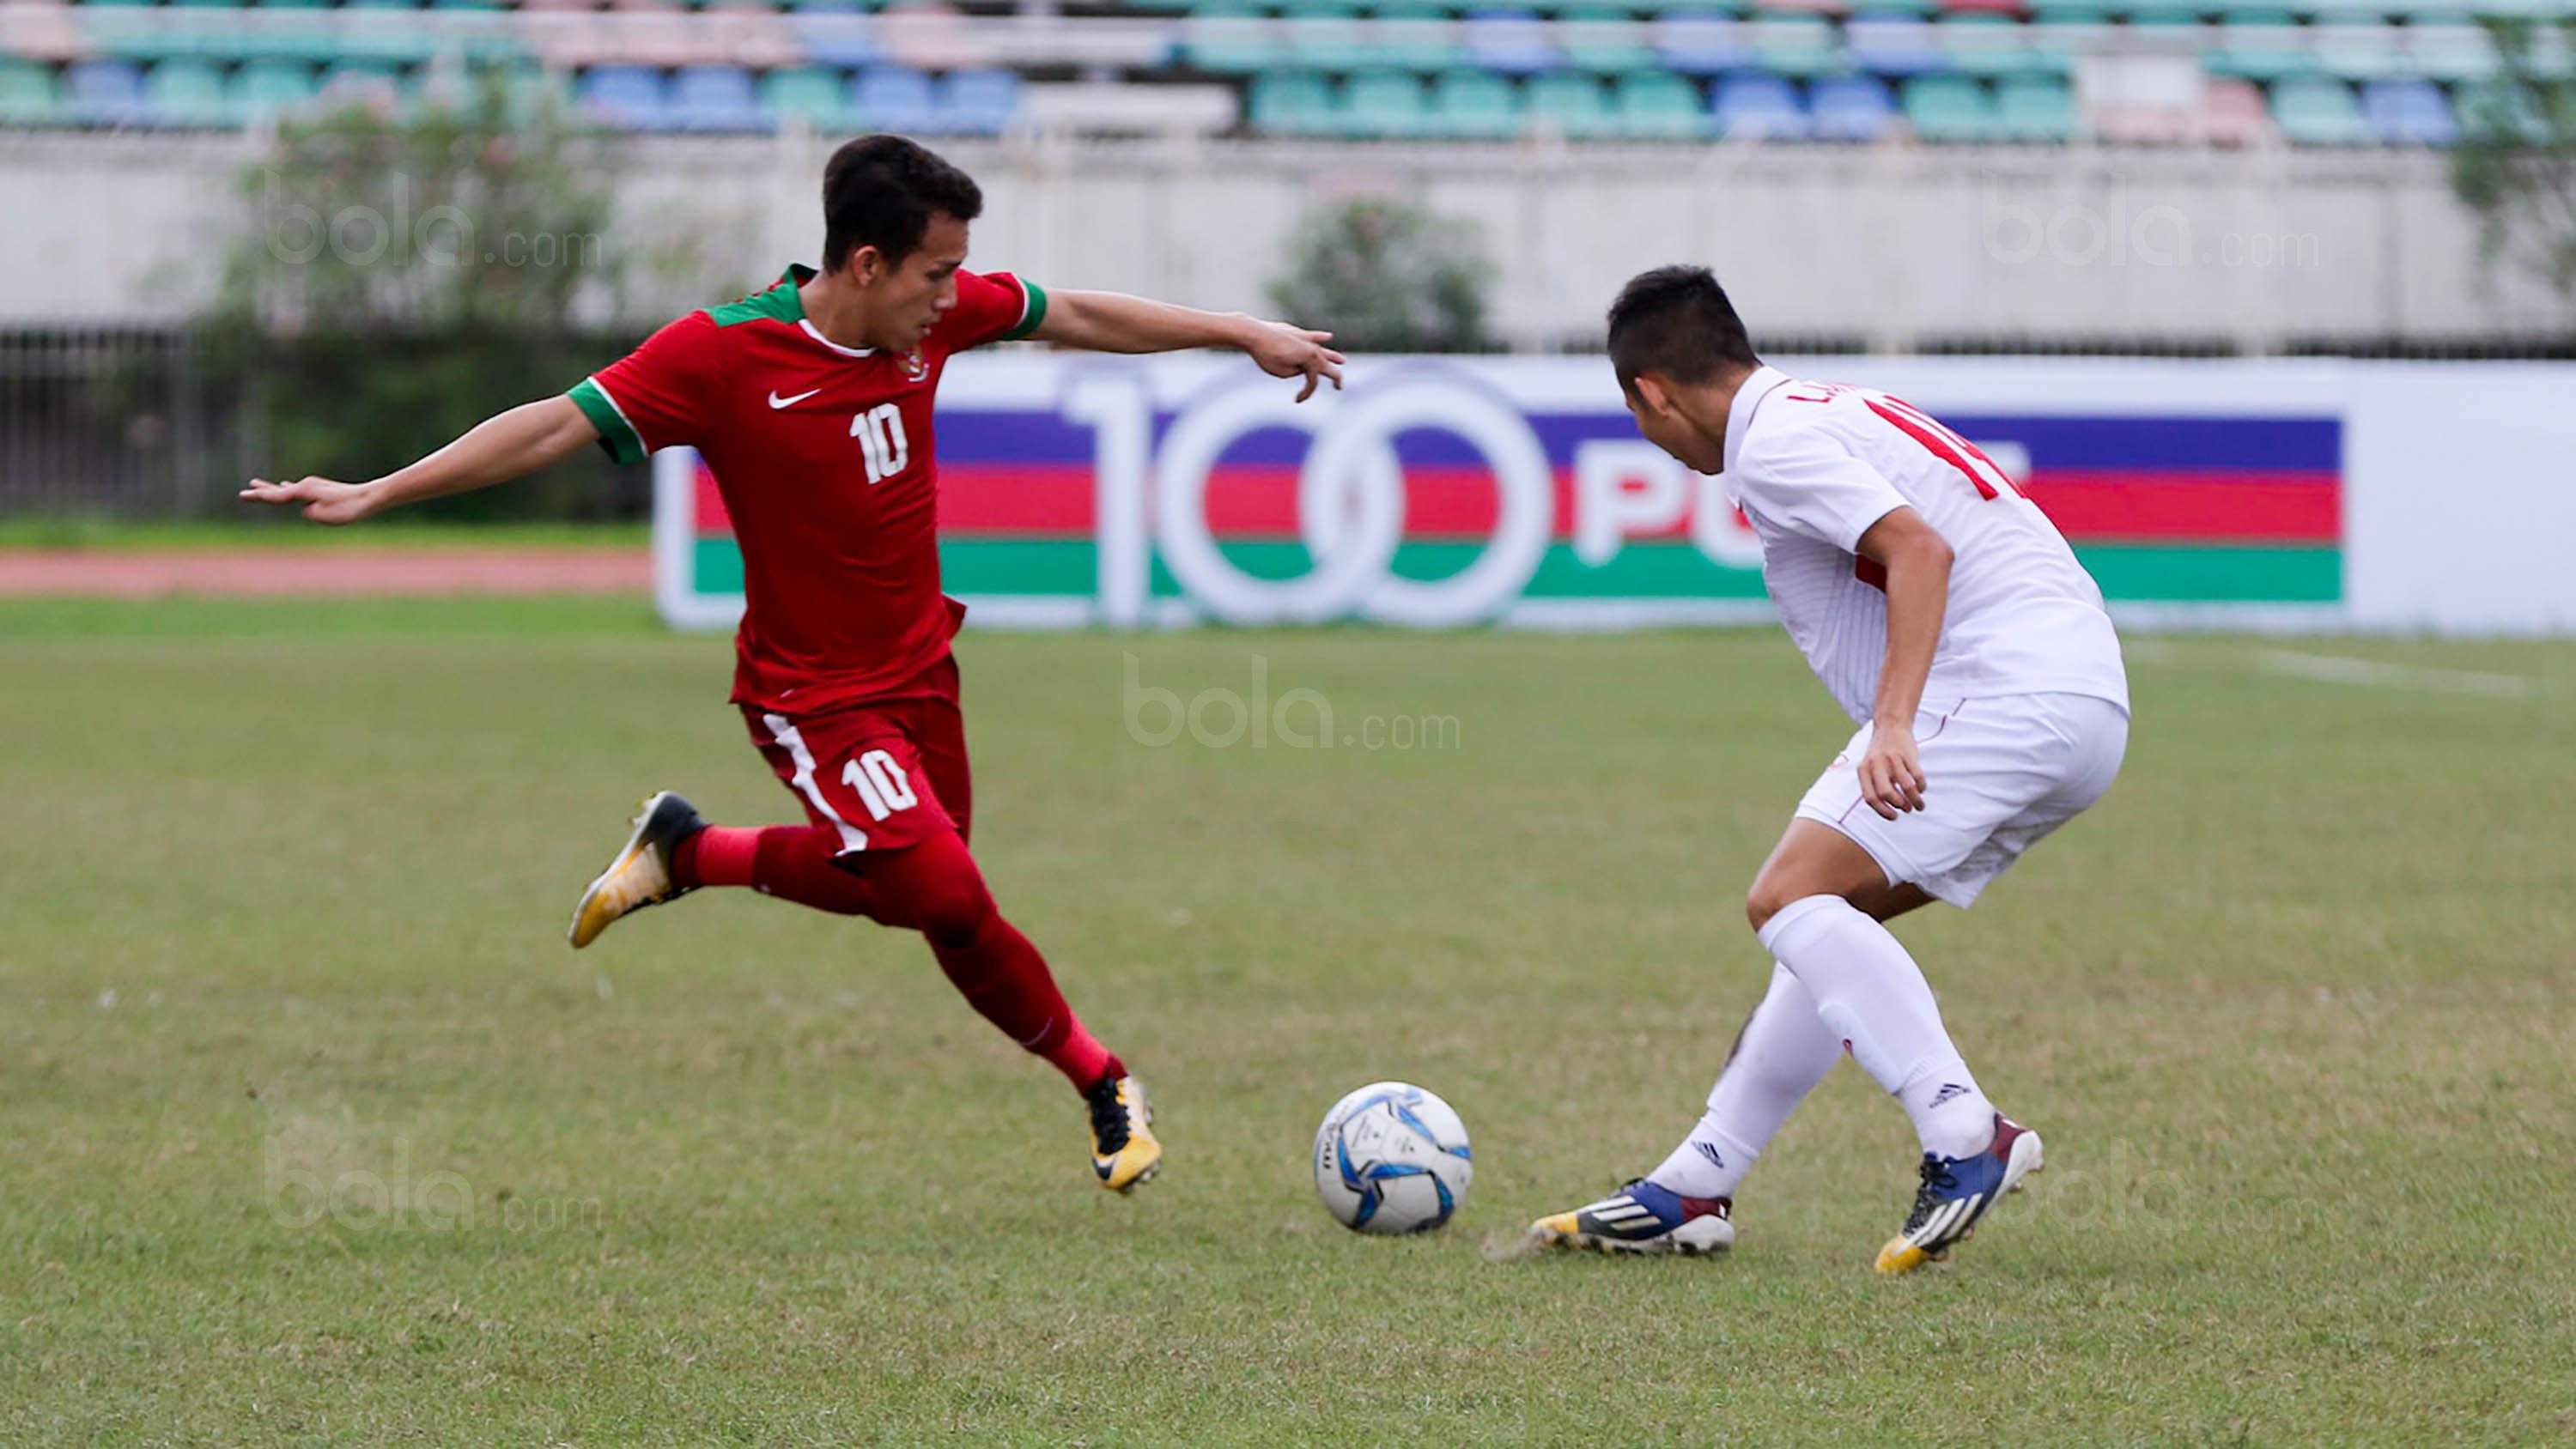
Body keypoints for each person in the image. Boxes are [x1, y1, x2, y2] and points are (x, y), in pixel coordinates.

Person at [242, 135, 1346, 1196]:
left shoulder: (931, 317)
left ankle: (692, 850)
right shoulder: (722, 356)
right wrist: (381, 489)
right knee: (946, 886)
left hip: (923, 672)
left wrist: (1242, 330)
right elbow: (550, 428)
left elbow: (1081, 312)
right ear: (865, 263)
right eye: (934, 271)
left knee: (918, 896)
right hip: (812, 698)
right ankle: (1103, 1079)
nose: (949, 294)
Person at [1527, 266, 2129, 1272]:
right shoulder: (1823, 409)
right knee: (1824, 928)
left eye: (1641, 421)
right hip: (2074, 697)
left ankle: (1964, 1130)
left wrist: (1894, 721)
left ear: (1653, 396)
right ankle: (1696, 1181)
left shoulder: (1777, 443)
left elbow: (1919, 553)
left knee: (1787, 897)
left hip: (2004, 686)